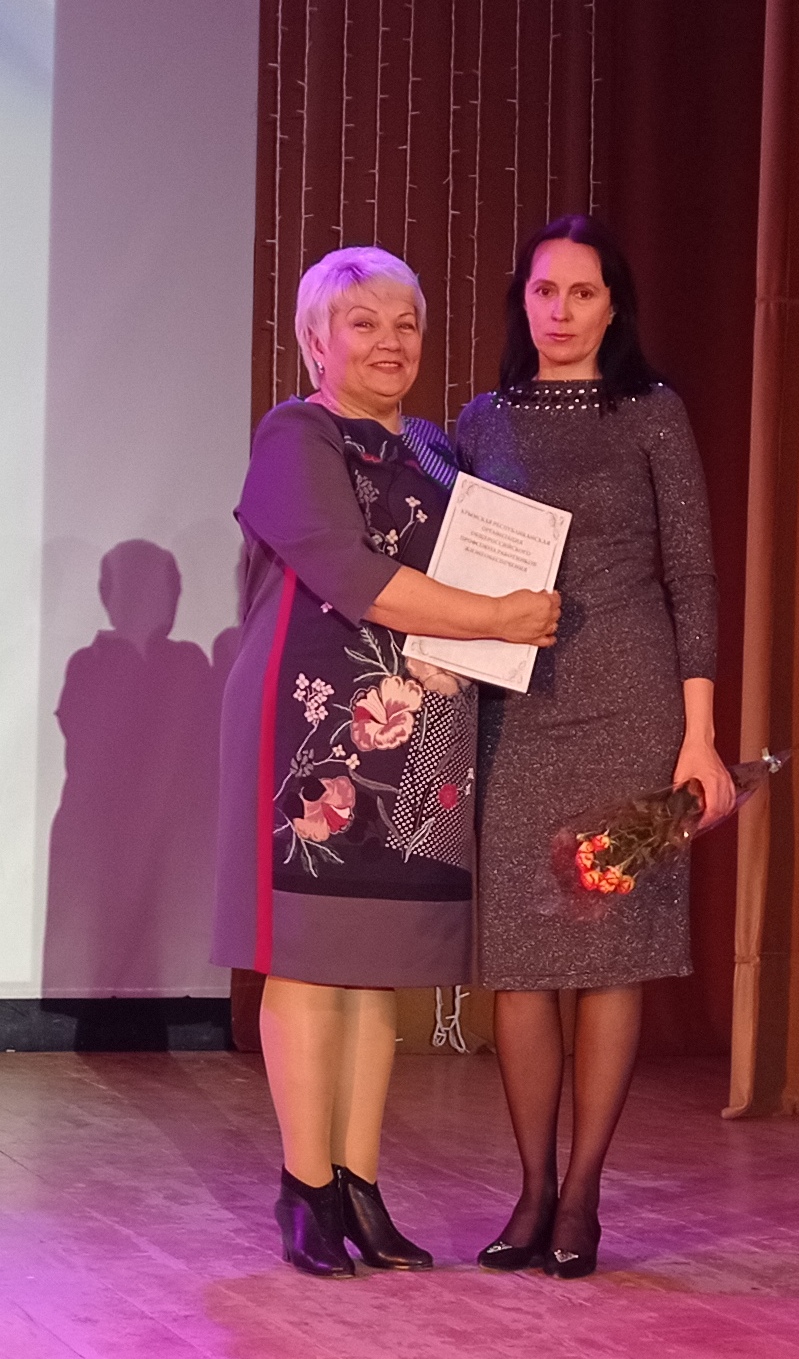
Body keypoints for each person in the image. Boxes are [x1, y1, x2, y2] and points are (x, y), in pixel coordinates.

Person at [212, 246, 559, 1279]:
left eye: (405, 322)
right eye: (362, 323)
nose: (390, 342)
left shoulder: (439, 449)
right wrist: (497, 617)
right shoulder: (298, 433)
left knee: (379, 967)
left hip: (425, 719)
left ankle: (359, 1185)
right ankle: (305, 1187)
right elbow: (352, 573)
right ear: (314, 341)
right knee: (311, 956)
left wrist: (508, 618)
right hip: (315, 720)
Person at [457, 215, 735, 1279]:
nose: (561, 310)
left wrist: (699, 738)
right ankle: (530, 1189)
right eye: (544, 291)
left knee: (611, 953)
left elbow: (693, 575)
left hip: (630, 704)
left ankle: (582, 1195)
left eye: (582, 292)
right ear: (521, 302)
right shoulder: (481, 418)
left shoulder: (651, 411)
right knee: (522, 960)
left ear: (614, 307)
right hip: (515, 710)